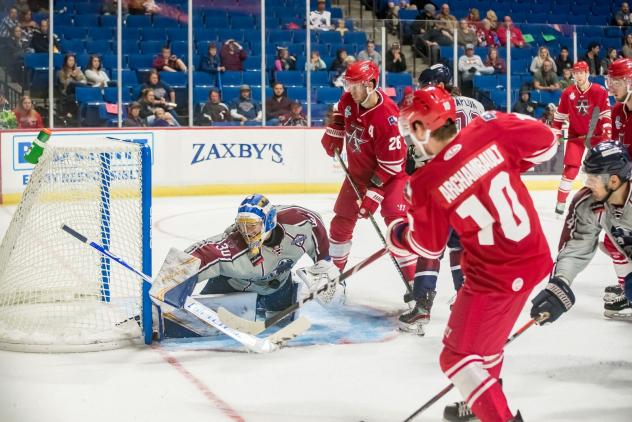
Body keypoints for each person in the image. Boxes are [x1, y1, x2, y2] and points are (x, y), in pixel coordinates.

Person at [389, 85, 558, 422]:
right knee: (487, 349)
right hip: (534, 257)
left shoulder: (425, 182)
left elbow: (428, 247)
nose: (410, 139)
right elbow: (548, 142)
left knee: (456, 357)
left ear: (422, 127)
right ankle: (482, 403)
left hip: (493, 276)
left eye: (410, 129)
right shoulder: (488, 127)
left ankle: (497, 416)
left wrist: (399, 234)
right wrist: (497, 165)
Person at [320, 60, 421, 309]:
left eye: (356, 86)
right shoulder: (348, 100)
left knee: (396, 228)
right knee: (341, 221)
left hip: (391, 177)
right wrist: (335, 130)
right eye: (348, 84)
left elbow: (394, 164)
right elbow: (339, 111)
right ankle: (334, 280)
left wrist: (374, 193)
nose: (350, 91)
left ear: (371, 84)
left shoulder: (387, 117)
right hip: (357, 173)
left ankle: (417, 288)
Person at [398, 63, 485, 334]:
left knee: (430, 247)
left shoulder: (433, 106)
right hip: (475, 184)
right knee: (460, 246)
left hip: (442, 185)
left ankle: (422, 307)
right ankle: (465, 302)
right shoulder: (476, 105)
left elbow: (422, 154)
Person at [184, 194, 341, 321]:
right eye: (242, 225)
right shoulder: (234, 244)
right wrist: (171, 286)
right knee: (197, 321)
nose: (246, 232)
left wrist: (323, 261)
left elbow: (313, 222)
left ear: (268, 220)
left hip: (278, 288)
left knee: (283, 323)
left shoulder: (298, 225)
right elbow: (200, 255)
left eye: (252, 225)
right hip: (232, 286)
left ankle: (271, 302)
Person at [531, 142, 632, 330]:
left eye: (593, 177)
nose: (587, 183)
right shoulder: (589, 204)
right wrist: (560, 283)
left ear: (614, 181)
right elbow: (577, 246)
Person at [553, 61, 612, 215]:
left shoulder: (599, 91)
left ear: (587, 73)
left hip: (597, 135)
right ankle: (560, 202)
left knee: (599, 170)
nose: (578, 75)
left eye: (581, 72)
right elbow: (559, 116)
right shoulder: (567, 93)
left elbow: (605, 112)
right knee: (571, 169)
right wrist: (556, 132)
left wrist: (606, 129)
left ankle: (601, 202)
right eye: (575, 73)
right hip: (576, 135)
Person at [604, 58, 632, 305]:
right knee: (612, 239)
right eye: (610, 81)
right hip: (626, 187)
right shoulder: (616, 112)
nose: (611, 88)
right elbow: (617, 154)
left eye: (617, 81)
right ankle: (628, 291)